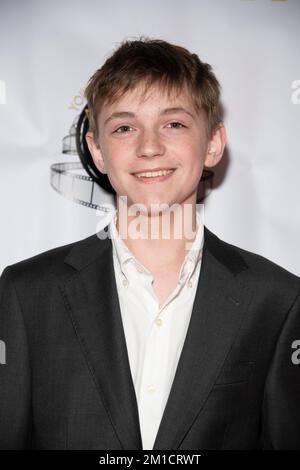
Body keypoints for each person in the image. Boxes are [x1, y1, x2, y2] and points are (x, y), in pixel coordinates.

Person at [0, 38, 300, 450]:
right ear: (97, 152)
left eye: (174, 124)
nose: (149, 147)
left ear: (213, 143)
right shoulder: (27, 293)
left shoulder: (276, 299)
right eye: (124, 127)